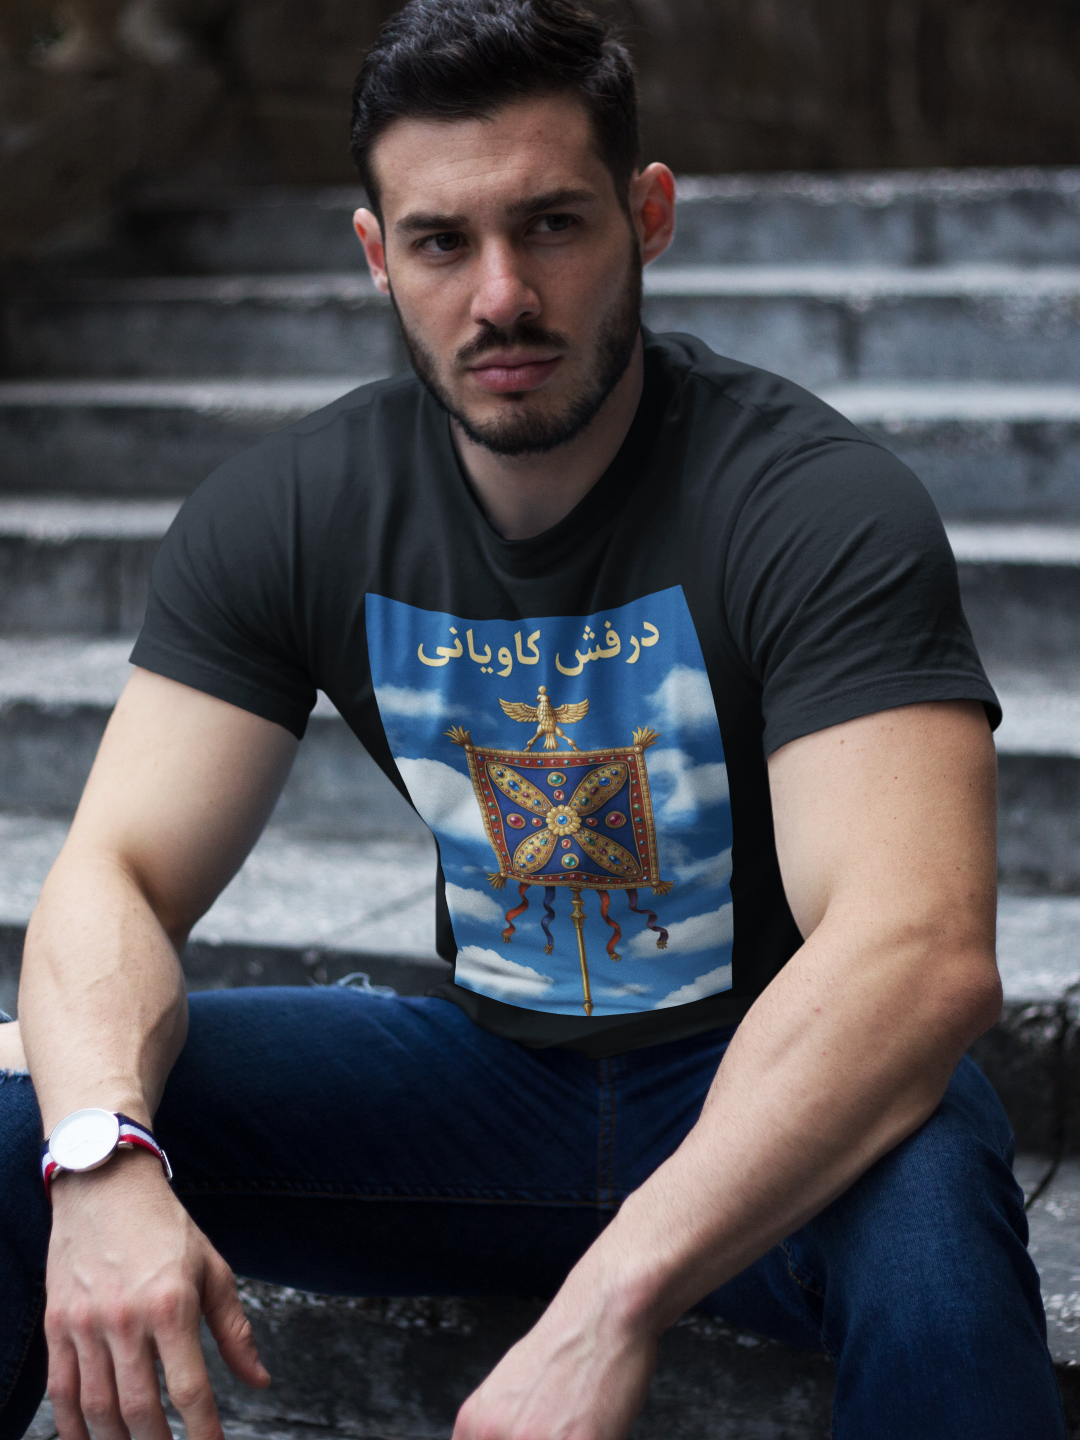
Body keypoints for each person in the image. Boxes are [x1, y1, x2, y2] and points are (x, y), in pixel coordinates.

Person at [0, 2, 1066, 1437]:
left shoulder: (814, 504)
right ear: (379, 257)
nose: (501, 295)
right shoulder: (294, 509)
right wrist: (102, 1152)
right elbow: (111, 876)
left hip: (780, 1082)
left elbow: (918, 956)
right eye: (443, 242)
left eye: (553, 225)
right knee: (24, 1131)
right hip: (483, 1093)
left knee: (941, 1263)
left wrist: (609, 1303)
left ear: (649, 218)